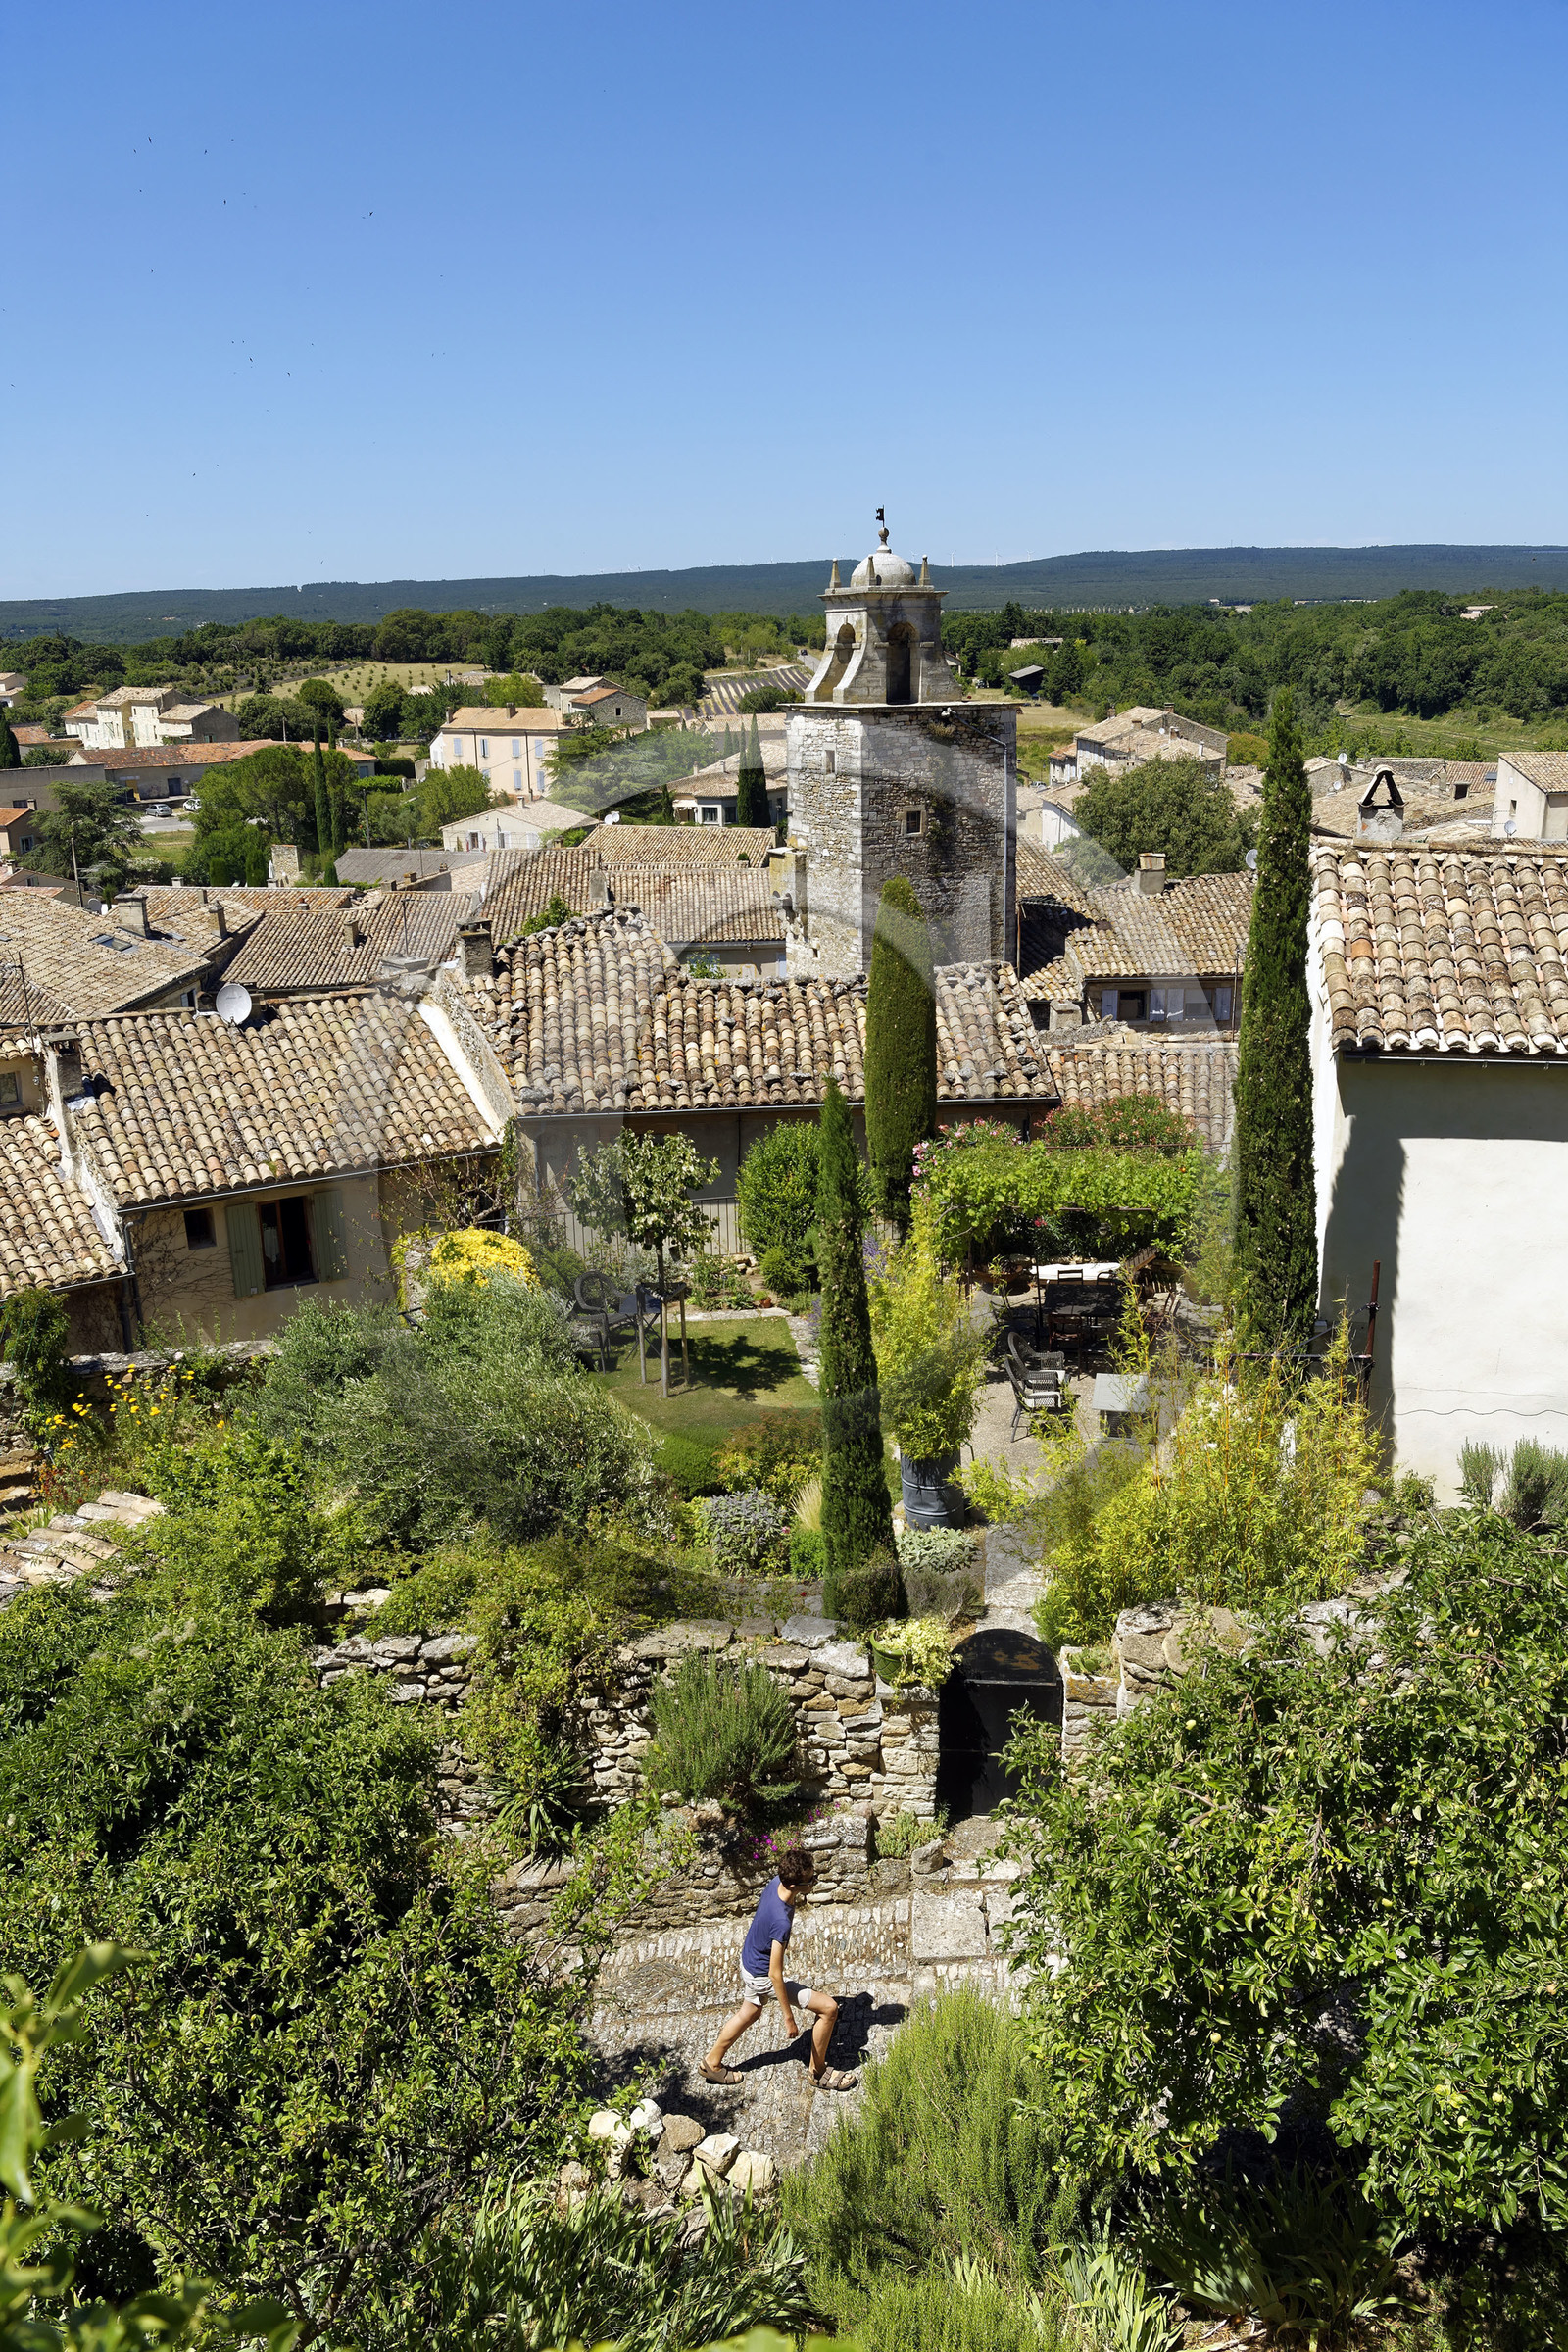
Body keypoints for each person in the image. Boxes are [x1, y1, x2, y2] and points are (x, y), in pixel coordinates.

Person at [700, 1844, 858, 2091]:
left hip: (749, 1962)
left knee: (749, 2012)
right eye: (810, 1880)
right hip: (762, 1974)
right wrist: (789, 2018)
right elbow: (775, 1973)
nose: (814, 1882)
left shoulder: (777, 1882)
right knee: (828, 2009)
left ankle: (711, 2063)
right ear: (795, 1886)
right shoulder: (781, 1921)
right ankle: (818, 2073)